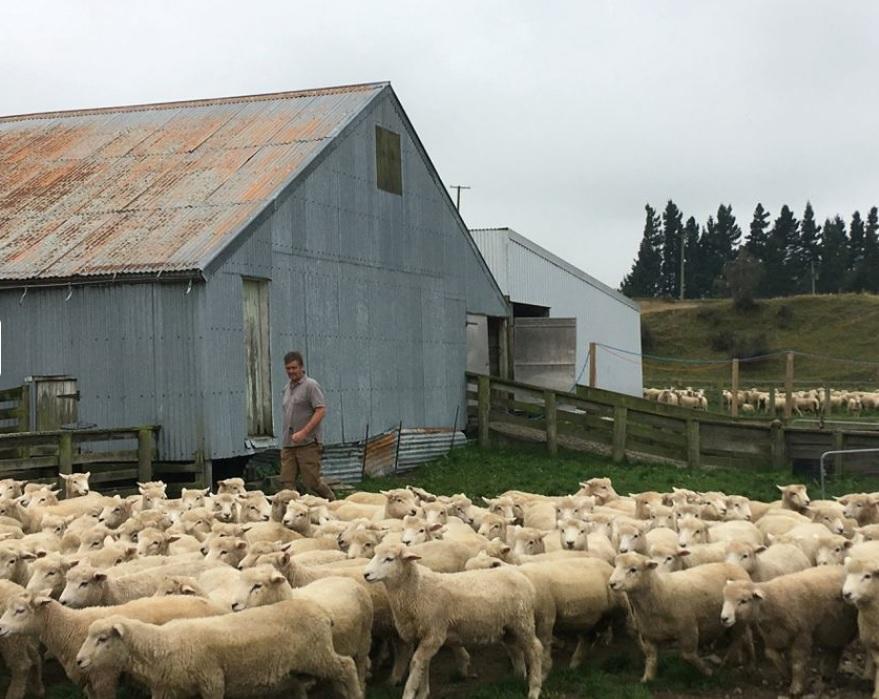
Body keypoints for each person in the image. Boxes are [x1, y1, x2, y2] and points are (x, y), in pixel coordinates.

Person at [279, 351, 335, 500]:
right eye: (288, 368)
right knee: (287, 482)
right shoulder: (286, 389)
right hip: (289, 443)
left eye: (294, 368)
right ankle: (293, 512)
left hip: (307, 443)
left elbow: (321, 410)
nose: (291, 371)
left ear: (302, 367)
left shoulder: (311, 385)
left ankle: (332, 502)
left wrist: (304, 432)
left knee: (312, 482)